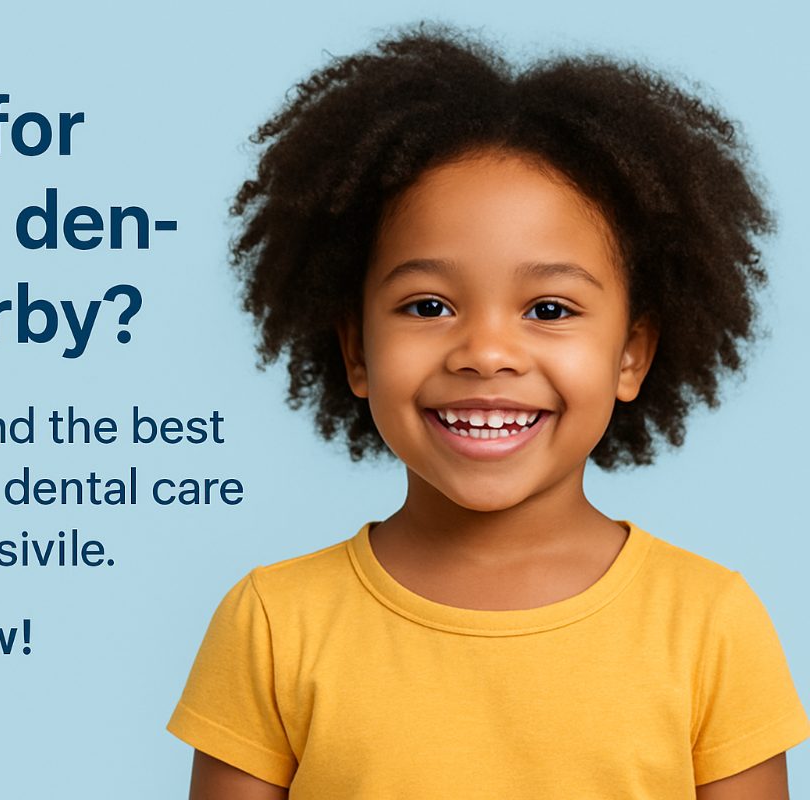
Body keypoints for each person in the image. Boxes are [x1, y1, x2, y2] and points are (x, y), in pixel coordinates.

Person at [167, 22, 810, 800]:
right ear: (357, 352)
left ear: (631, 355)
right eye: (428, 305)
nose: (486, 352)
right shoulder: (272, 624)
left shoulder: (711, 624)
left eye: (548, 308)